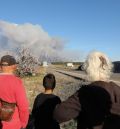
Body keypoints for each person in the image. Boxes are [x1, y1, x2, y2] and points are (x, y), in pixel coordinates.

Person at [54, 51, 120, 129]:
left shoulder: (84, 93)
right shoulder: (117, 89)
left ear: (88, 69)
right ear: (108, 67)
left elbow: (59, 114)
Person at [0, 55, 29, 129]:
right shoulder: (16, 82)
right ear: (13, 66)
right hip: (13, 124)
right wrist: (23, 123)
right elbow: (23, 107)